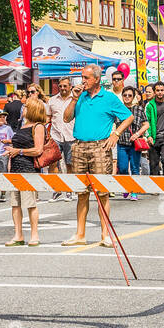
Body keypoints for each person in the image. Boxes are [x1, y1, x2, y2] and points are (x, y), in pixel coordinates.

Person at [62, 64, 133, 247]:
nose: (82, 81)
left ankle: (105, 234)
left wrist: (115, 134)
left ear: (97, 79)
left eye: (86, 78)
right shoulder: (80, 97)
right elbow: (66, 118)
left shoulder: (108, 97)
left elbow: (128, 117)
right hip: (79, 146)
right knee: (81, 193)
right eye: (82, 77)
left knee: (103, 193)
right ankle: (80, 234)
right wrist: (73, 99)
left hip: (100, 147)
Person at [5, 97, 47, 246]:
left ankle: (34, 234)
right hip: (15, 168)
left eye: (26, 107)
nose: (23, 109)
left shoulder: (38, 127)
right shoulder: (20, 126)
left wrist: (19, 151)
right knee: (15, 204)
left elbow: (38, 149)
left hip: (29, 169)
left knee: (30, 204)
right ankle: (18, 234)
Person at [46, 77, 77, 203]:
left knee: (70, 164)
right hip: (56, 136)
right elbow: (48, 118)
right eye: (60, 86)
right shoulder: (52, 101)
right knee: (53, 163)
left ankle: (69, 190)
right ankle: (56, 190)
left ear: (70, 86)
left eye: (65, 86)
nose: (63, 88)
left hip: (71, 136)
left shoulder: (76, 100)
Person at [116, 85, 148, 200]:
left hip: (135, 145)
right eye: (125, 95)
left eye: (130, 95)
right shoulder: (118, 109)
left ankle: (134, 191)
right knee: (123, 168)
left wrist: (137, 134)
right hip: (122, 143)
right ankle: (126, 187)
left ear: (133, 97)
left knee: (135, 168)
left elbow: (146, 124)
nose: (127, 97)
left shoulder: (138, 110)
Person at [143, 81, 164, 176]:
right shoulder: (149, 105)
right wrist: (149, 136)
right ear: (154, 92)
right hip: (153, 138)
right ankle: (155, 187)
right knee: (153, 164)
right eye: (157, 90)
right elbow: (147, 122)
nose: (160, 92)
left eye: (162, 90)